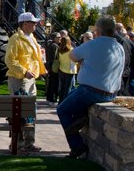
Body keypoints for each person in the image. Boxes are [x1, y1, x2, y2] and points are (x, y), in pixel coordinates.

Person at [56, 15, 125, 159]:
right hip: (111, 92)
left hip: (91, 90)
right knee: (72, 96)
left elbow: (73, 56)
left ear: (98, 31)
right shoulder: (119, 47)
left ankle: (77, 146)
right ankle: (81, 116)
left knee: (62, 110)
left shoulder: (93, 44)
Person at [4, 12, 46, 153]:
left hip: (30, 80)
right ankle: (18, 143)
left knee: (30, 112)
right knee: (20, 112)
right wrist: (24, 72)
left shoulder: (32, 38)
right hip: (19, 79)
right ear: (25, 24)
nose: (36, 25)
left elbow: (34, 58)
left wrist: (41, 70)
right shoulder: (16, 39)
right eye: (33, 22)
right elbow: (10, 60)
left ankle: (28, 143)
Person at [57, 36, 78, 102]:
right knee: (68, 88)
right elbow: (75, 60)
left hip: (61, 69)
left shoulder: (60, 50)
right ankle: (65, 103)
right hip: (70, 71)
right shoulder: (71, 50)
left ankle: (60, 102)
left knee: (62, 88)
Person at [44, 32, 61, 107]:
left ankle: (49, 98)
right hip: (53, 67)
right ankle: (52, 99)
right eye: (58, 37)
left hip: (49, 66)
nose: (60, 38)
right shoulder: (55, 45)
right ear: (54, 38)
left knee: (51, 83)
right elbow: (55, 58)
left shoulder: (49, 44)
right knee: (54, 83)